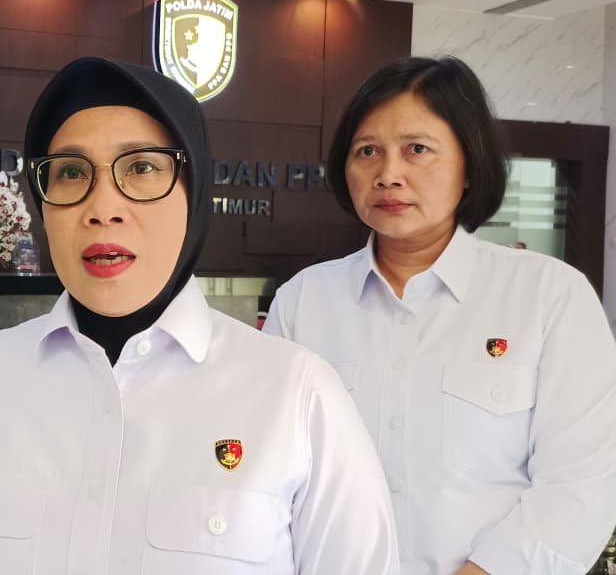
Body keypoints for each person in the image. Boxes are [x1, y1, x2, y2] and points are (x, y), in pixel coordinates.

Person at [0, 56, 399, 575]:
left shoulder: (297, 397)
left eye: (142, 168)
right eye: (70, 172)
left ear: (195, 194)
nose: (103, 208)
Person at [264, 55, 616, 575]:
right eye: (367, 151)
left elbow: (583, 487)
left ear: (469, 166)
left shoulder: (551, 297)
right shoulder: (303, 302)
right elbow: (270, 477)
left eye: (417, 149)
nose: (388, 174)